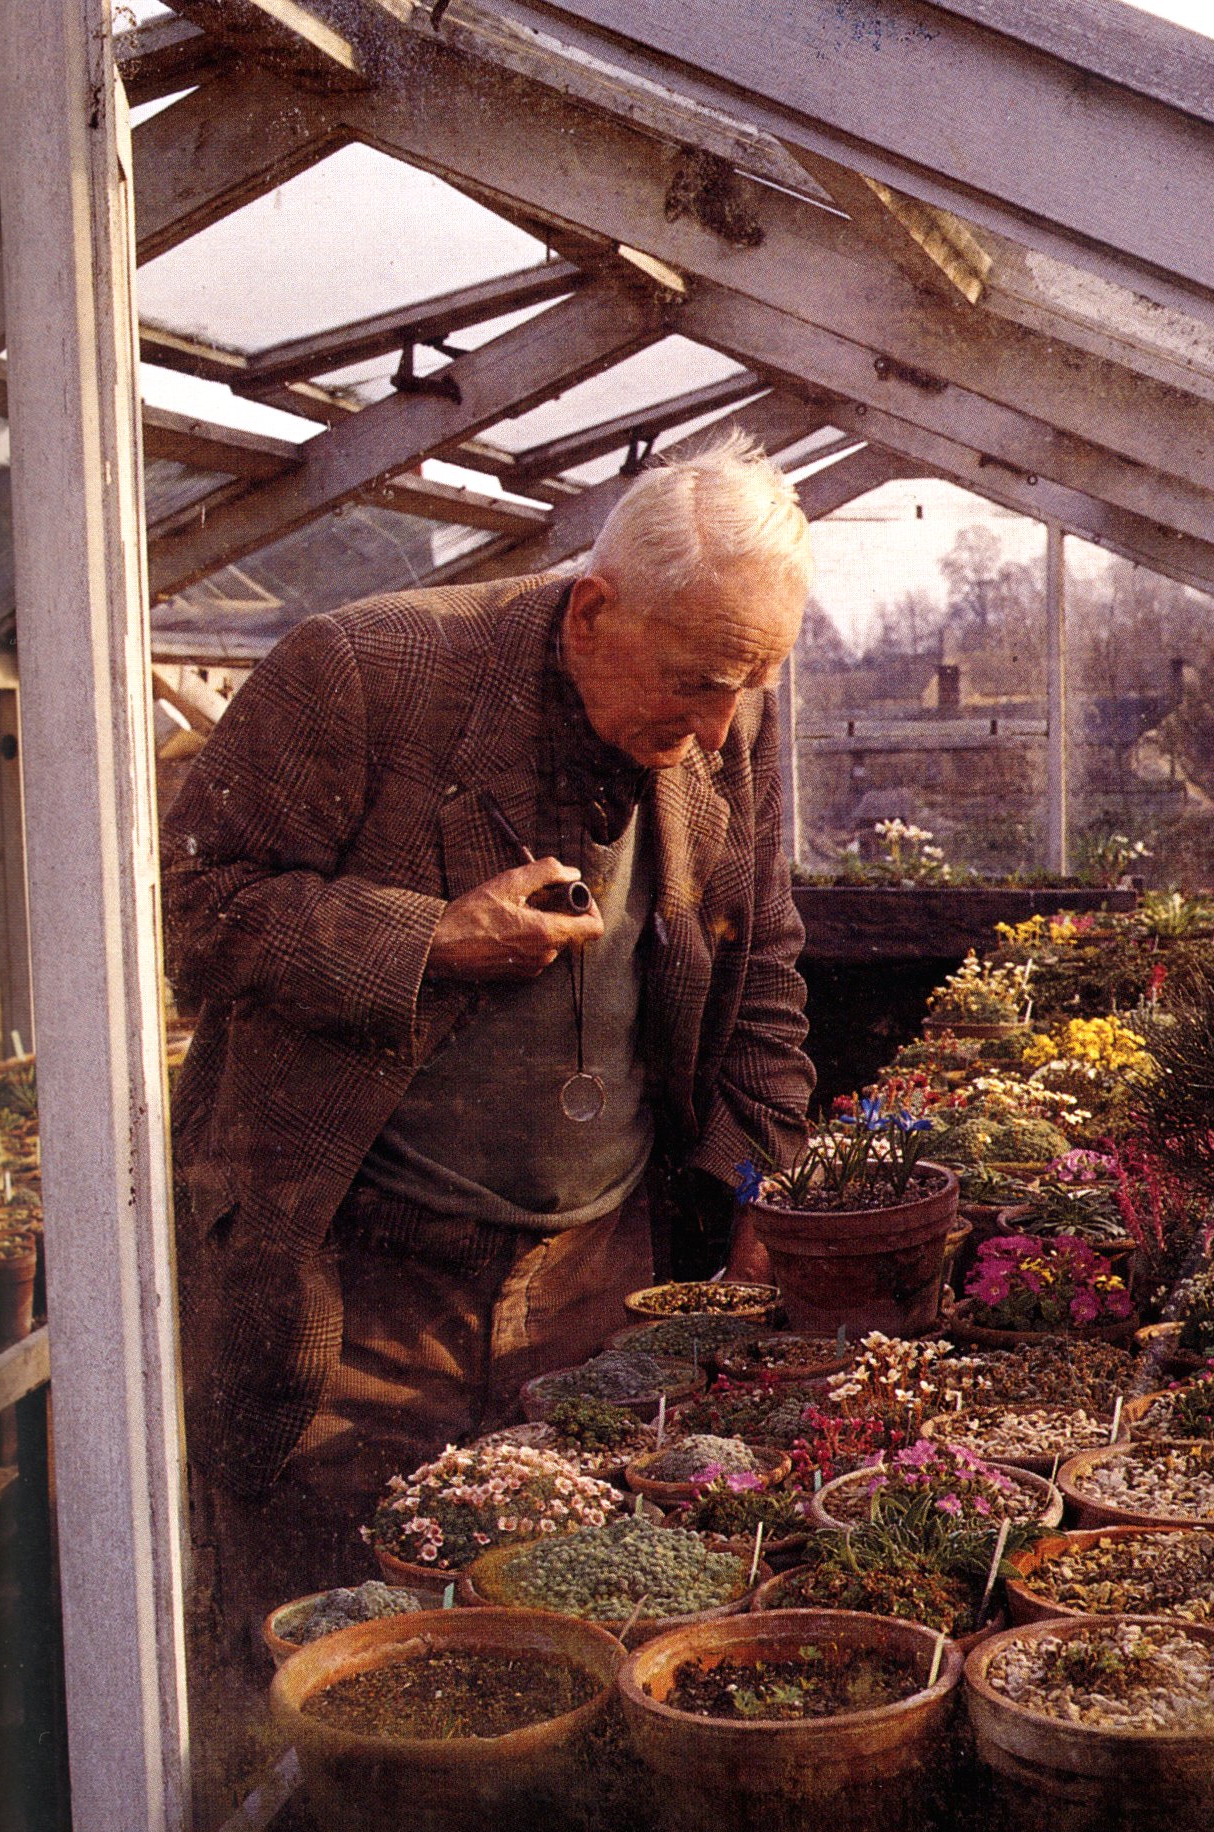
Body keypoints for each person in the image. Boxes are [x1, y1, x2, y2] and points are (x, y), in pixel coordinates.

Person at [162, 433, 815, 1630]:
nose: (722, 727)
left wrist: (760, 1181)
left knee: (564, 1634)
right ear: (593, 611)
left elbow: (759, 960)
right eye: (696, 680)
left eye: (749, 682)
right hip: (357, 1294)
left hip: (596, 1279)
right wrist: (424, 941)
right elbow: (191, 911)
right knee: (335, 1631)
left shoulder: (732, 716)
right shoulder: (361, 671)